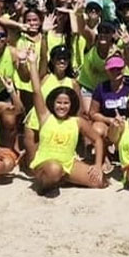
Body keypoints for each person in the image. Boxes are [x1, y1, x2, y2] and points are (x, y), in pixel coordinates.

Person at [27, 53, 106, 192]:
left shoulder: (78, 121)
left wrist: (98, 165)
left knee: (100, 182)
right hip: (46, 164)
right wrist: (32, 63)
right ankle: (44, 183)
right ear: (53, 102)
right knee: (54, 169)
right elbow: (36, 91)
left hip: (68, 163)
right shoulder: (45, 116)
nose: (62, 106)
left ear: (71, 104)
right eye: (58, 102)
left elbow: (97, 140)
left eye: (66, 103)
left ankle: (63, 178)